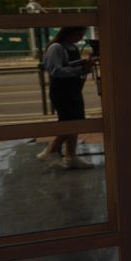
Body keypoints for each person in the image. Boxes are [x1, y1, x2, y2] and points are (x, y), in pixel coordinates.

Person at [37, 26, 96, 170]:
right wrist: (80, 69)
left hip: (73, 89)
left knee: (75, 121)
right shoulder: (56, 48)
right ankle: (51, 151)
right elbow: (55, 71)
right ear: (69, 32)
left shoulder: (72, 47)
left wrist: (84, 65)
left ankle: (71, 156)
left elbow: (68, 66)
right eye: (79, 33)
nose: (81, 37)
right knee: (70, 122)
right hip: (62, 91)